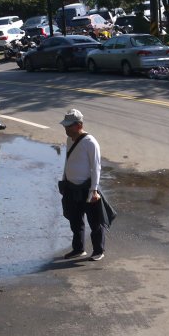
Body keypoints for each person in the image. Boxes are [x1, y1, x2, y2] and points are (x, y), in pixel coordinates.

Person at [58, 109, 107, 261]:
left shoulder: (90, 142)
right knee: (75, 220)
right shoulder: (69, 140)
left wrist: (94, 190)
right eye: (65, 126)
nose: (66, 129)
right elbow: (68, 160)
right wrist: (64, 179)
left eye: (69, 126)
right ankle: (78, 249)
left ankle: (98, 251)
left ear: (79, 125)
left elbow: (96, 167)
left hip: (87, 189)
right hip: (71, 187)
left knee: (95, 222)